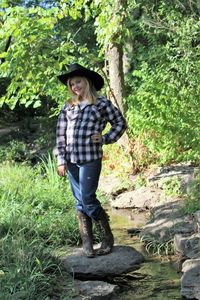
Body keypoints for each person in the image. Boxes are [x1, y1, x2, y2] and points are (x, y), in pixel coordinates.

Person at [54, 63, 127, 258]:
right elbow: (60, 135)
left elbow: (120, 123)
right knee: (79, 202)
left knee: (87, 198)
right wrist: (61, 160)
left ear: (86, 82)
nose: (75, 86)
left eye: (78, 81)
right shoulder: (69, 106)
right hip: (71, 160)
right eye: (71, 84)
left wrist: (105, 137)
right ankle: (87, 242)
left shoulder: (101, 104)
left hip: (90, 159)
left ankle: (107, 236)